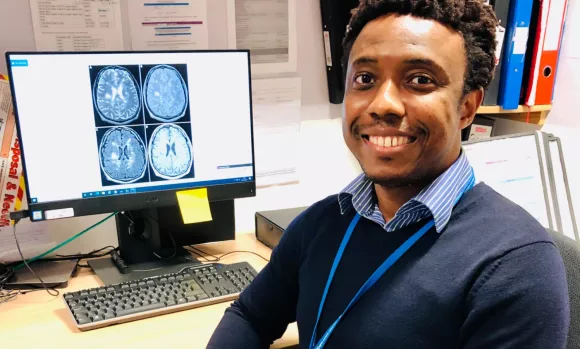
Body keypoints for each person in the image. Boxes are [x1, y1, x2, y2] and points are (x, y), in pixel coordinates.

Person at [207, 0, 570, 347]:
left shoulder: (517, 267)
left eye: (420, 80)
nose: (383, 105)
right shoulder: (323, 222)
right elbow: (250, 315)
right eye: (365, 78)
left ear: (467, 108)